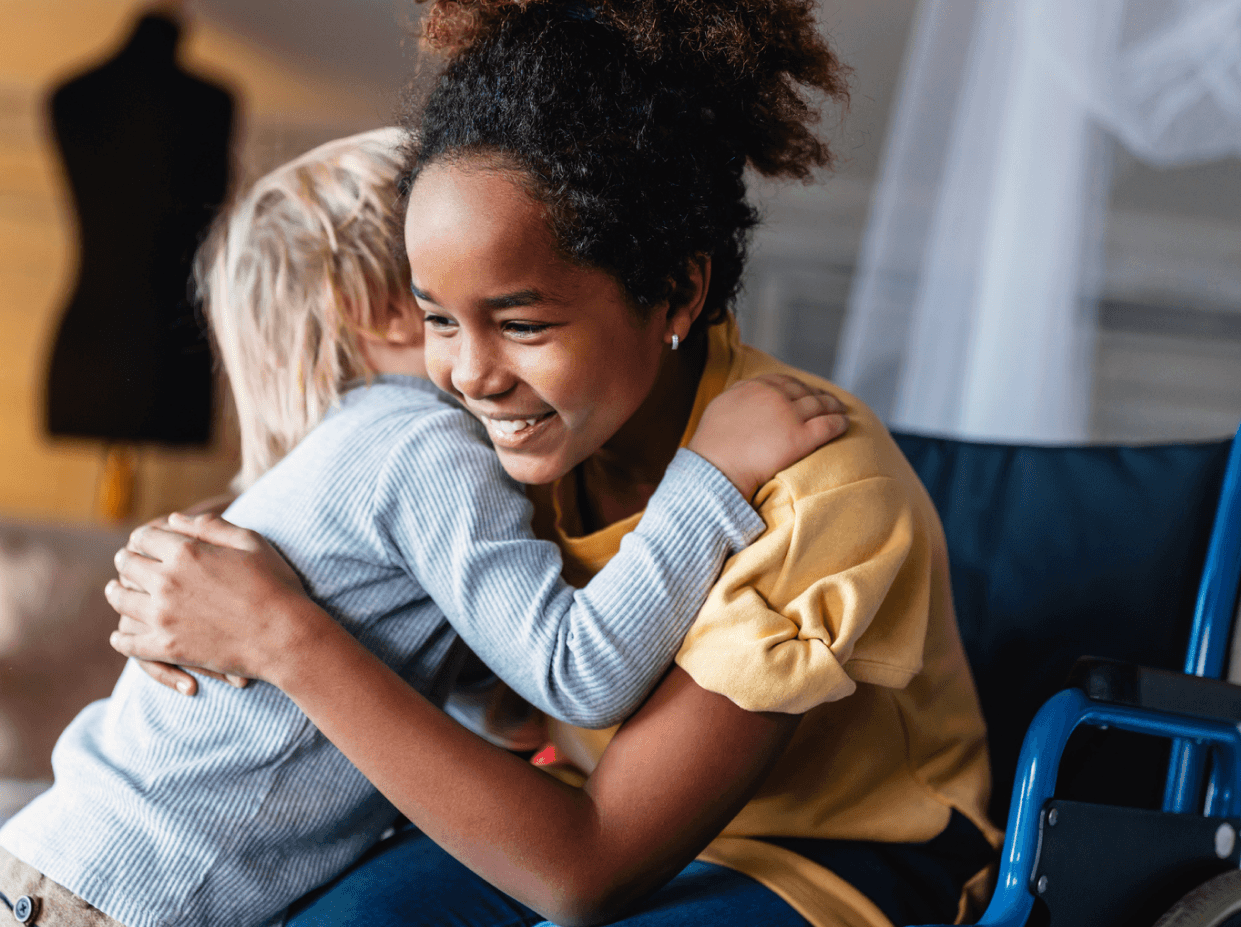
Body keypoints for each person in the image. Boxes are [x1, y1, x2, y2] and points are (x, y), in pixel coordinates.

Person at [106, 2, 1000, 926]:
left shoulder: (826, 488)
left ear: (676, 289)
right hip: (582, 798)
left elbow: (584, 873)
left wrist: (280, 636)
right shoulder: (494, 444)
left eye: (524, 324)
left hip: (831, 854)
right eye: (439, 320)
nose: (471, 376)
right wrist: (188, 587)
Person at [0, 128, 847, 927]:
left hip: (49, 872)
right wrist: (712, 474)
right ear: (392, 303)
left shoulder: (352, 450)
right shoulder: (419, 444)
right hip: (115, 903)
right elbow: (578, 673)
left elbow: (484, 702)